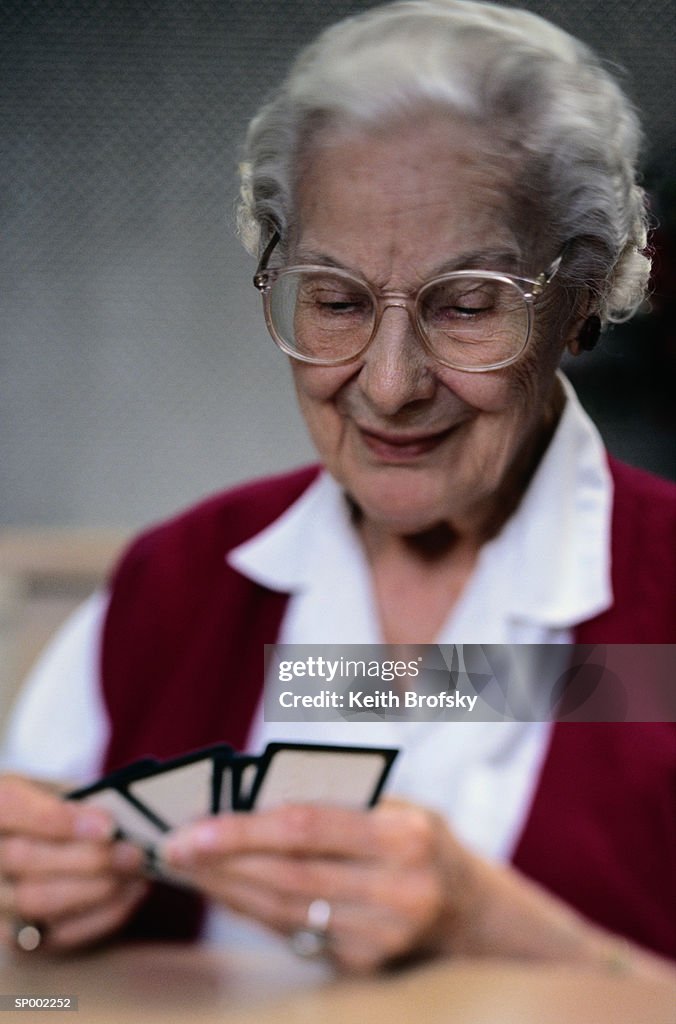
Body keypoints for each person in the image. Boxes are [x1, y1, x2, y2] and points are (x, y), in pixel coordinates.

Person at [1, 0, 674, 978]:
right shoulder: (173, 583)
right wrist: (30, 901)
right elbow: (27, 945)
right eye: (335, 300)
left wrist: (495, 930)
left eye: (467, 305)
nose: (389, 384)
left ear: (580, 301)